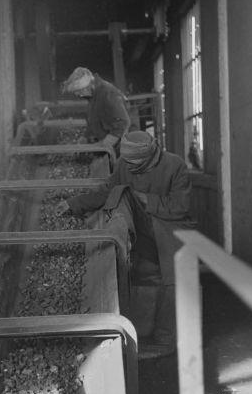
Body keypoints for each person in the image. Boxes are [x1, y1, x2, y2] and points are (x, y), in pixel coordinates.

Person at [55, 130, 196, 359]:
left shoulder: (175, 165)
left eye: (135, 162)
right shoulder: (124, 165)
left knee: (173, 278)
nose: (129, 167)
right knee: (121, 195)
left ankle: (166, 340)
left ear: (150, 155)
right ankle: (134, 332)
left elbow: (180, 206)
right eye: (126, 161)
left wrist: (144, 199)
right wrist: (74, 203)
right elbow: (108, 192)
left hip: (172, 227)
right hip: (141, 227)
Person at [62, 67, 131, 154]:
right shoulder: (93, 96)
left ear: (86, 87)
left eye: (79, 92)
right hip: (111, 143)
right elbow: (94, 120)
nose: (79, 95)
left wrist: (103, 145)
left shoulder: (108, 92)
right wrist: (85, 137)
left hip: (122, 146)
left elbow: (123, 123)